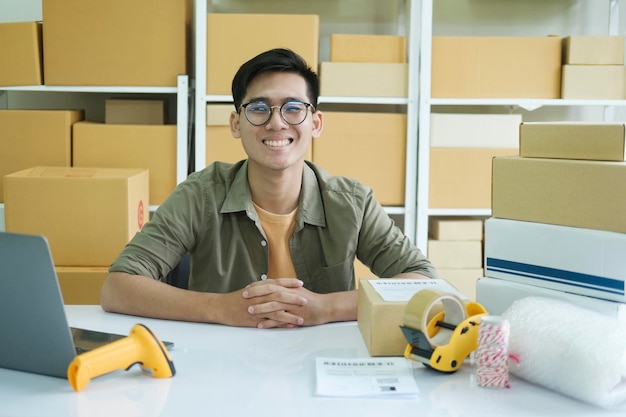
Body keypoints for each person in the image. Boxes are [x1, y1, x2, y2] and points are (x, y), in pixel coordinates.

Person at [100, 48, 438, 329]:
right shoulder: (199, 194)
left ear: (315, 123)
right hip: (220, 367)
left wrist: (327, 308)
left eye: (293, 108)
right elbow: (118, 287)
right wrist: (222, 309)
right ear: (236, 124)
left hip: (321, 366)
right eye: (259, 108)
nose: (277, 122)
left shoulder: (351, 202)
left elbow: (423, 281)